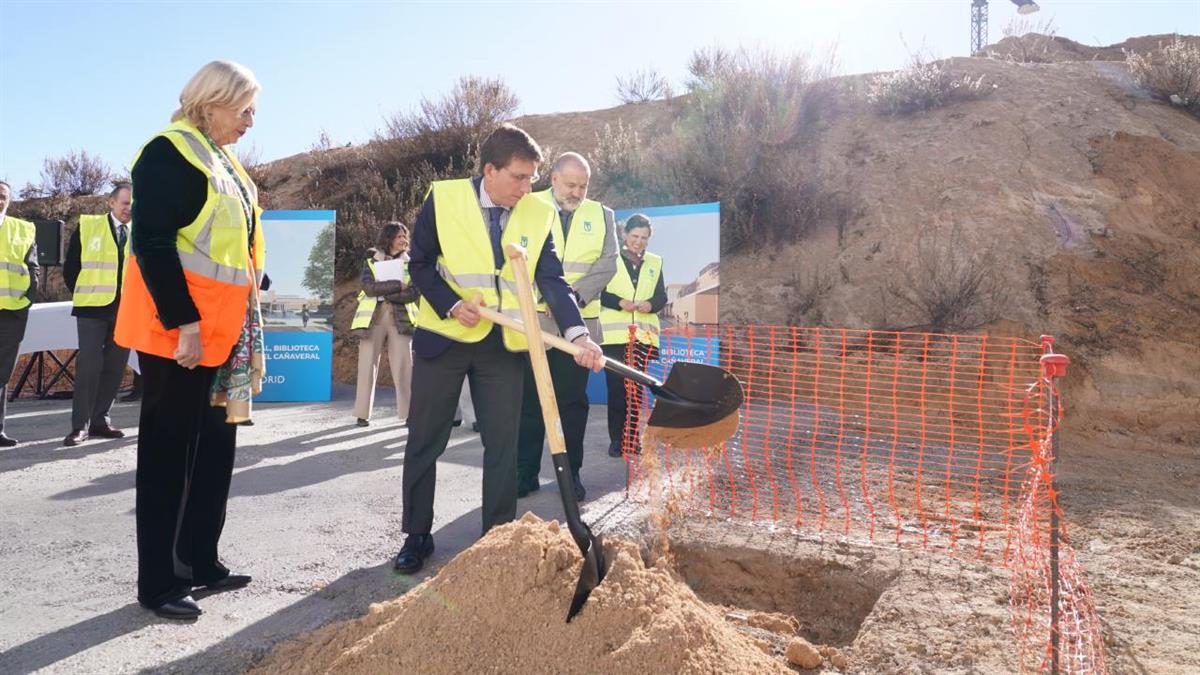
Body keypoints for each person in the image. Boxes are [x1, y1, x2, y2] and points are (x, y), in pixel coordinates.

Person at [394, 123, 604, 575]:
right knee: (425, 440)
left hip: (502, 347)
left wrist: (577, 335)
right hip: (444, 340)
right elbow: (420, 264)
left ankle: (497, 536)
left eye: (532, 178)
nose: (528, 188)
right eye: (519, 178)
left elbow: (552, 279)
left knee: (503, 445)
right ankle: (417, 535)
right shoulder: (445, 199)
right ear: (490, 169)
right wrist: (451, 305)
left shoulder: (535, 212)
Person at [113, 60, 265, 621]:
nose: (251, 120)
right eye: (245, 108)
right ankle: (159, 582)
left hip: (221, 333)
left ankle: (201, 561)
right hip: (178, 333)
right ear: (212, 101)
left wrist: (256, 281)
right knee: (167, 456)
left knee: (213, 452)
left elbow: (223, 244)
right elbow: (152, 243)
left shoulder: (223, 159)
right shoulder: (169, 151)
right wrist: (185, 324)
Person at [516, 152, 617, 501]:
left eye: (583, 186)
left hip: (581, 323)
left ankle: (570, 474)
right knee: (529, 400)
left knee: (572, 403)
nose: (576, 192)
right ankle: (524, 472)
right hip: (535, 322)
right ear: (553, 179)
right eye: (570, 184)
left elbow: (608, 264)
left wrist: (573, 297)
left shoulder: (603, 215)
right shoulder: (526, 205)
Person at [62, 183, 133, 446]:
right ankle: (80, 426)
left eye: (133, 205)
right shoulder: (89, 226)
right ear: (111, 203)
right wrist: (84, 294)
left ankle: (101, 420)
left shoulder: (140, 231)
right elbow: (71, 268)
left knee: (114, 369)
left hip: (125, 311)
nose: (129, 209)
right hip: (92, 308)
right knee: (89, 368)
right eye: (125, 203)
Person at [599, 213, 667, 458]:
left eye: (644, 237)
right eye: (635, 236)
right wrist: (619, 302)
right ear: (624, 235)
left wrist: (651, 304)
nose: (639, 241)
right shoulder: (610, 260)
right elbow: (598, 293)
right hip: (615, 338)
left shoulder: (655, 262)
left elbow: (662, 296)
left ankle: (631, 440)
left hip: (643, 339)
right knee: (617, 389)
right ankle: (616, 440)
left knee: (636, 390)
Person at [351, 221, 419, 427]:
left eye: (405, 236)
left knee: (404, 367)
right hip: (374, 318)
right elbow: (369, 288)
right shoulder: (371, 260)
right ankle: (362, 414)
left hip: (401, 317)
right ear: (388, 238)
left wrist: (388, 291)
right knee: (366, 366)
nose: (404, 240)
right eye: (399, 236)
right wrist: (398, 285)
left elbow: (413, 293)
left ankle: (409, 414)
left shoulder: (412, 263)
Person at [0, 180, 38, 448]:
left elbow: (32, 267)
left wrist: (27, 300)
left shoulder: (22, 229)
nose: (0, 200)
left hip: (12, 312)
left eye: (3, 196)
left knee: (1, 374)